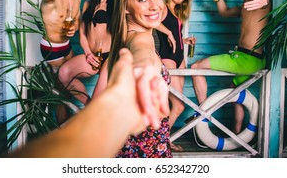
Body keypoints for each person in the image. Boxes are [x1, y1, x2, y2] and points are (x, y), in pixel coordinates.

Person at [9, 48, 170, 158]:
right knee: (64, 77)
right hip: (124, 141)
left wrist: (142, 64)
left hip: (150, 143)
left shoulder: (134, 47)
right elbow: (138, 46)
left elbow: (141, 47)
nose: (154, 5)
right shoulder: (120, 55)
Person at [190, 0, 270, 134]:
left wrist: (264, 1)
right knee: (235, 90)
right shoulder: (245, 5)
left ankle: (203, 113)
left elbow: (265, 3)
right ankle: (237, 134)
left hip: (246, 58)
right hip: (253, 58)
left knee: (196, 67)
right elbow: (224, 12)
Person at [107, 0, 172, 158]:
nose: (154, 6)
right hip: (145, 152)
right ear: (126, 7)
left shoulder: (124, 38)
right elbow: (141, 52)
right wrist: (144, 70)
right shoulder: (140, 39)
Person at [58, 0, 115, 108]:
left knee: (101, 97)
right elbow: (82, 33)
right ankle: (89, 107)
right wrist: (88, 53)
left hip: (110, 57)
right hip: (92, 55)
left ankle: (97, 118)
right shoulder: (88, 4)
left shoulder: (118, 5)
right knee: (63, 74)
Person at [155, 0, 196, 152]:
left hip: (180, 58)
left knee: (173, 104)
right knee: (178, 105)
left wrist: (184, 41)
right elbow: (154, 22)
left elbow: (176, 36)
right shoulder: (162, 7)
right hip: (168, 57)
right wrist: (169, 33)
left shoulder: (176, 13)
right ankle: (163, 142)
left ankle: (163, 140)